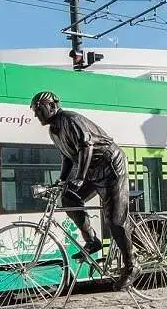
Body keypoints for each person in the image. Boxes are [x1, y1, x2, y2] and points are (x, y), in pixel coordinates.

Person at [29, 90, 139, 291]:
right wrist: (62, 181)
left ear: (53, 106)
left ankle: (132, 265)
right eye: (35, 111)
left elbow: (86, 146)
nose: (37, 115)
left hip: (110, 166)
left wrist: (79, 177)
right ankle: (92, 241)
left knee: (114, 220)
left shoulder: (70, 119)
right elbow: (67, 157)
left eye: (39, 109)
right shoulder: (54, 130)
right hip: (93, 170)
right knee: (69, 198)